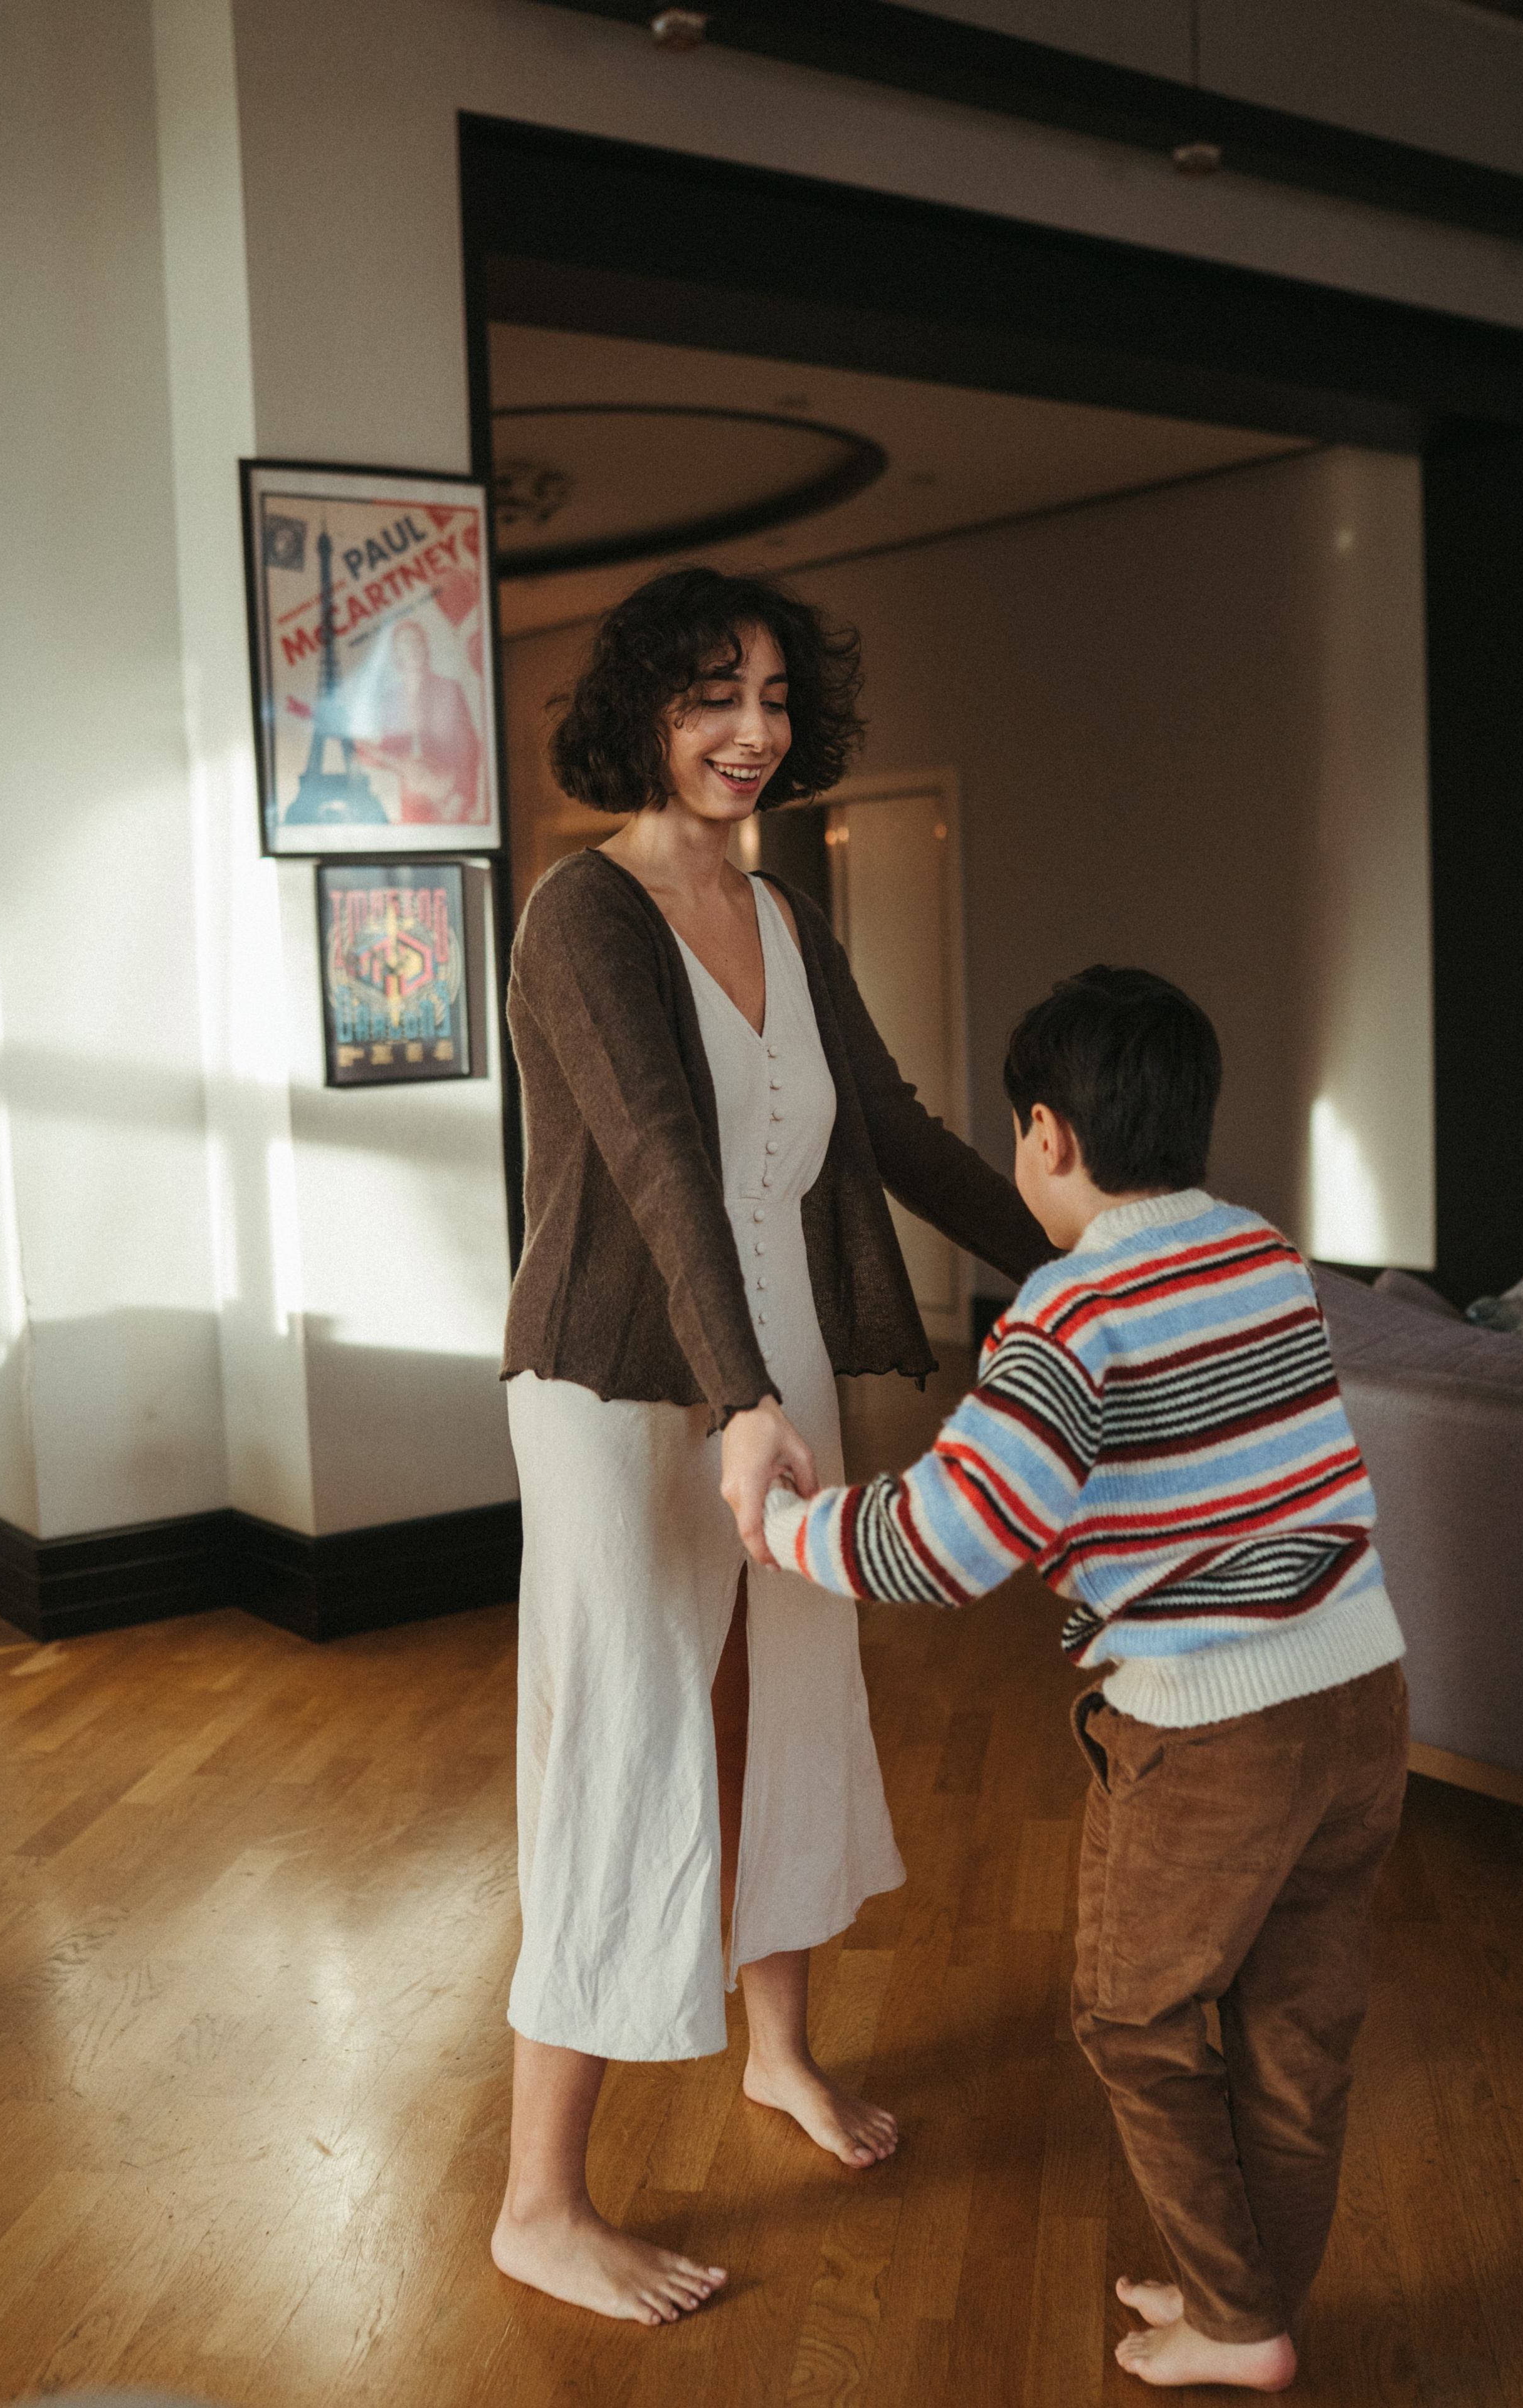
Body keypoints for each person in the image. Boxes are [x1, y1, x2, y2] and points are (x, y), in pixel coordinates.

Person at [493, 566, 1049, 2327]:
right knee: (630, 1735)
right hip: (620, 1385)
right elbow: (662, 1171)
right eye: (710, 696)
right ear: (642, 715)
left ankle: (778, 2049)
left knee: (786, 1696)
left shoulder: (784, 912)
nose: (751, 731)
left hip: (769, 1368)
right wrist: (736, 1406)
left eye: (775, 697)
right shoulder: (582, 914)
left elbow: (888, 1127)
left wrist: (1092, 1251)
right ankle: (537, 2202)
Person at [765, 966, 1409, 2394]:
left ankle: (1236, 2320)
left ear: (1046, 1135)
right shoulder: (1264, 1254)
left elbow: (947, 1544)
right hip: (1360, 1692)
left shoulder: (1071, 1313)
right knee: (1294, 2031)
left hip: (1213, 1728)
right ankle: (1249, 2298)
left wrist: (785, 1526)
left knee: (1136, 2015)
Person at [357, 617, 482, 821]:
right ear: (397, 653)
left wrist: (461, 795)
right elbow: (391, 753)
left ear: (425, 647)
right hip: (410, 802)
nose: (413, 647)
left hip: (448, 796)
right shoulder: (391, 699)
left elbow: (469, 747)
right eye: (405, 643)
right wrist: (362, 752)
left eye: (417, 641)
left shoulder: (449, 689)